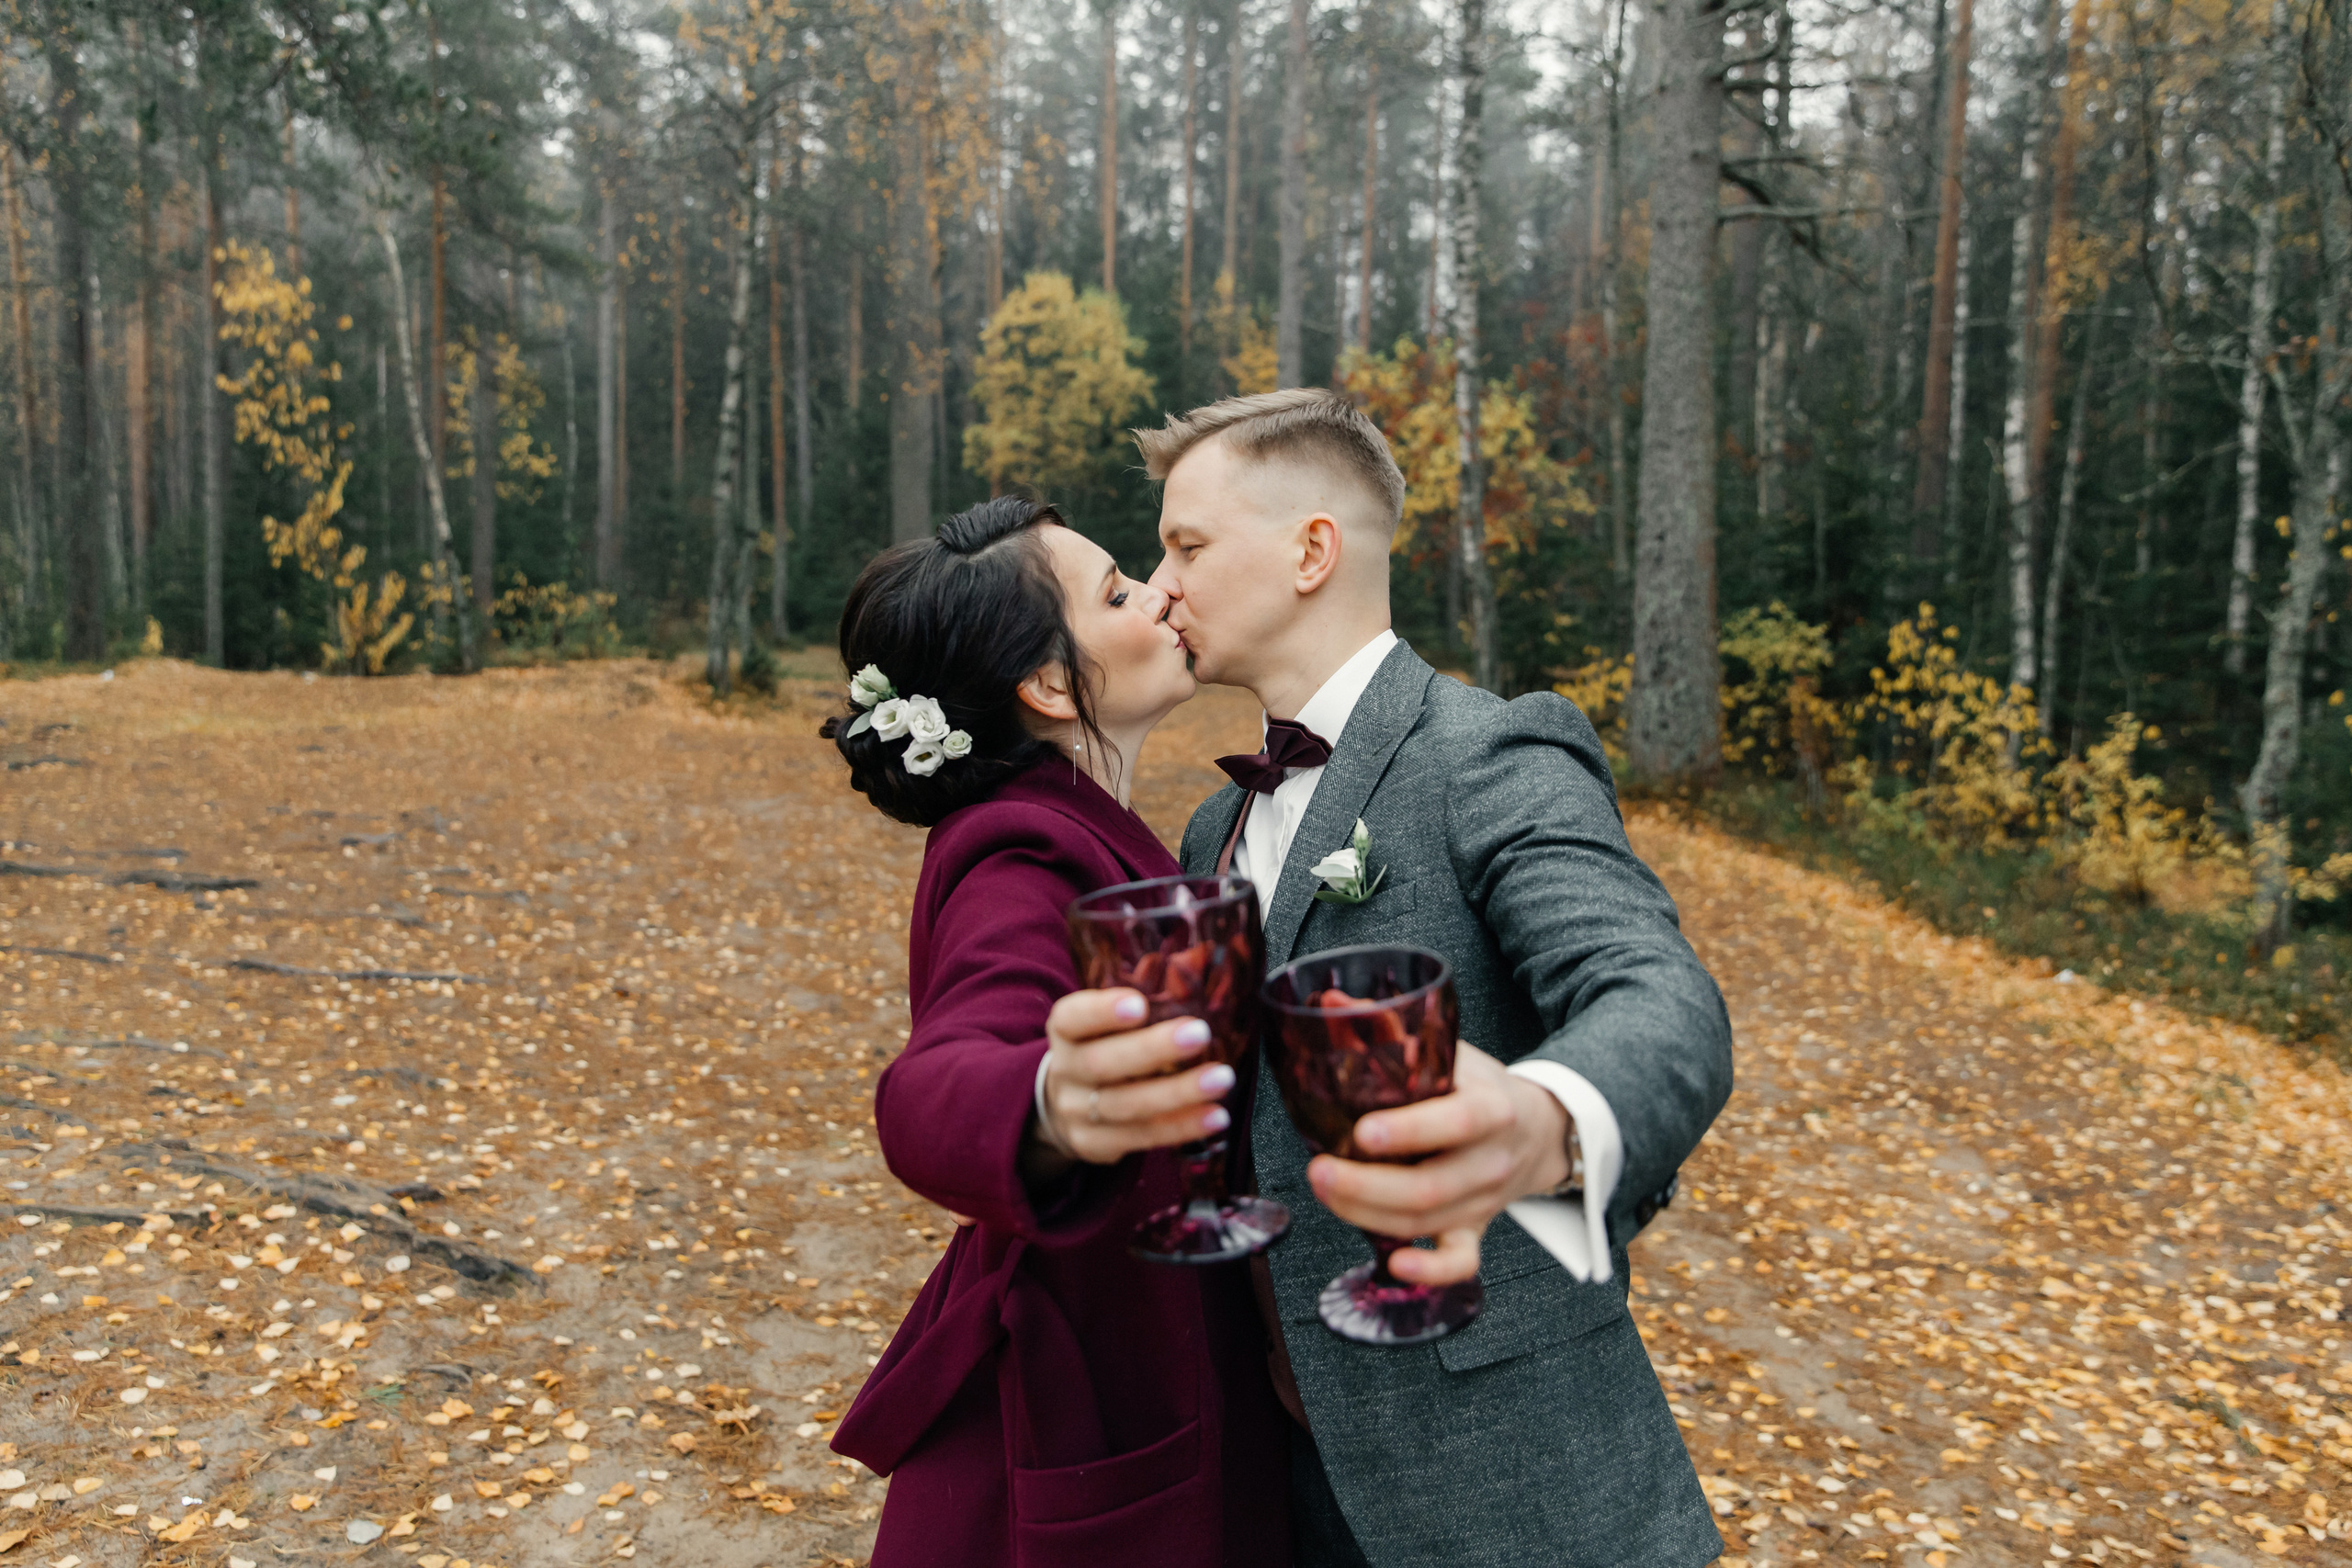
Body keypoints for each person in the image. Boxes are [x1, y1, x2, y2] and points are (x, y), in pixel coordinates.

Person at [1055, 388, 1736, 1567]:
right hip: (1286, 1482)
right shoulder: (1215, 820)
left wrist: (1539, 1119)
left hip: (1513, 1488)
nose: (1160, 587)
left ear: (1312, 551)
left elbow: (1656, 996)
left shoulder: (1492, 750)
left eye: (1187, 545)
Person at [822, 497, 1291, 1568]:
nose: (1162, 590)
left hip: (1155, 1370)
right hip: (1078, 1416)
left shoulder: (1110, 826)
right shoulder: (1015, 850)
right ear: (1044, 684)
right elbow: (942, 1075)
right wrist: (1043, 1101)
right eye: (1121, 591)